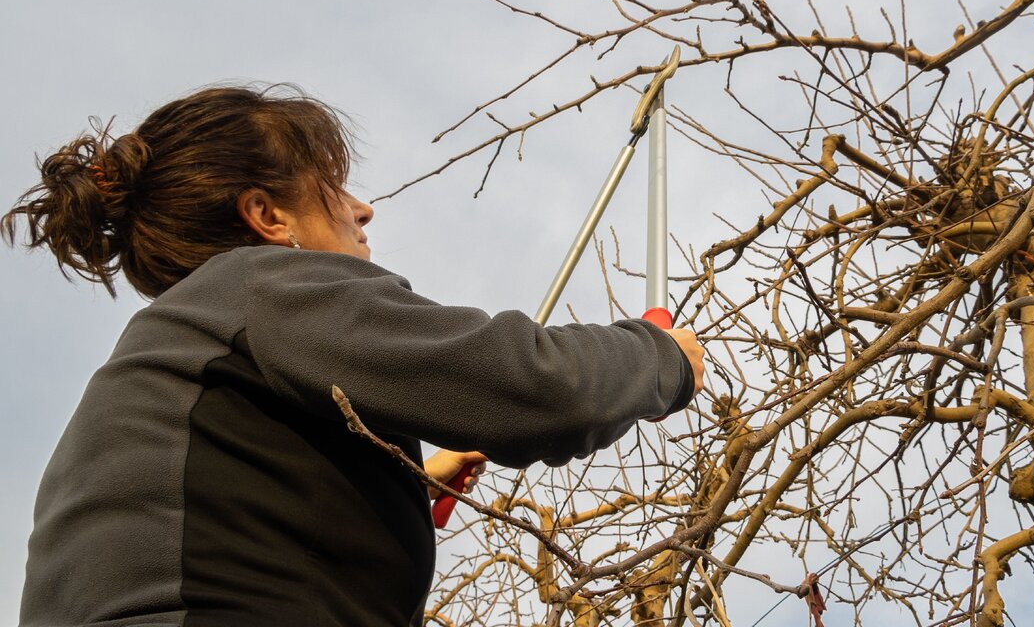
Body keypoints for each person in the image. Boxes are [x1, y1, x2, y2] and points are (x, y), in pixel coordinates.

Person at [4, 84, 705, 627]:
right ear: (269, 218)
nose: (362, 208)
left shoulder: (181, 352)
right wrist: (658, 359)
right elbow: (531, 387)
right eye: (329, 187)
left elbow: (212, 526)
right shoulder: (259, 288)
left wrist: (394, 480)